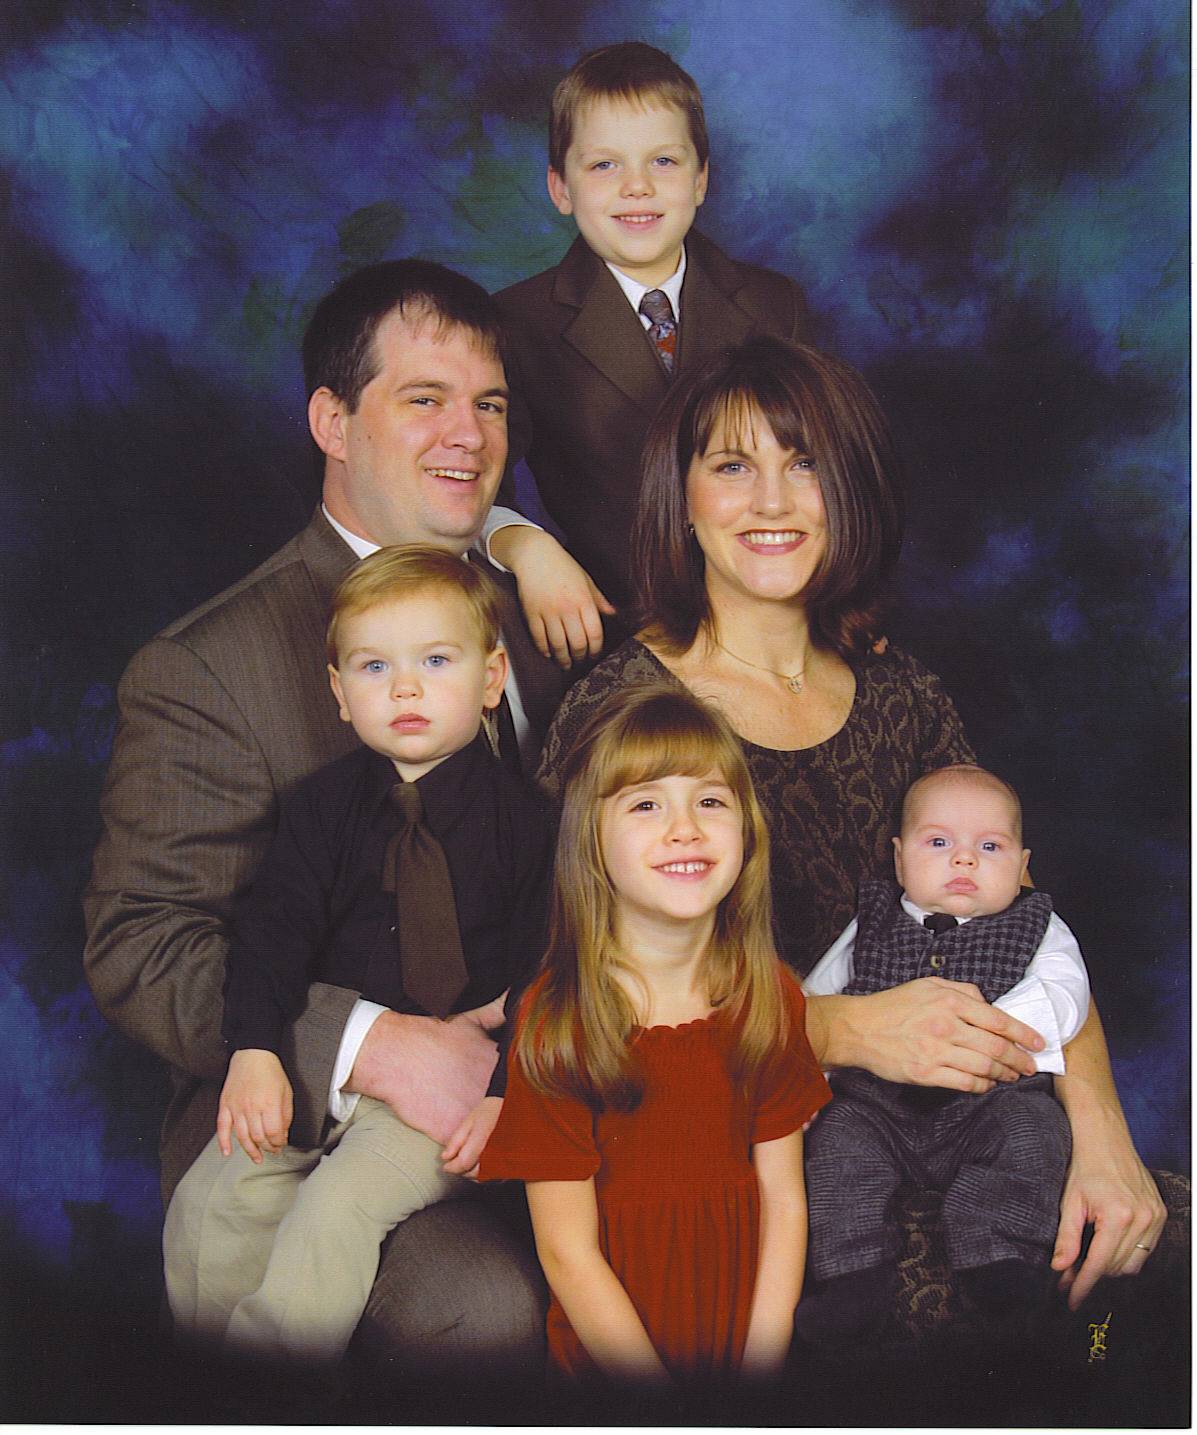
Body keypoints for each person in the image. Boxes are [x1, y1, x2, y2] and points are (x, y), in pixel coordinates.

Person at [537, 334, 1164, 1311]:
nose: (773, 501)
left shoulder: (901, 691)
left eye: (804, 464)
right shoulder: (623, 712)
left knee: (1139, 1265)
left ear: (849, 490)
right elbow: (579, 995)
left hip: (970, 1129)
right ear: (682, 498)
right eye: (732, 466)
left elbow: (1024, 915)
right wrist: (839, 1027)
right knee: (931, 1329)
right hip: (747, 1158)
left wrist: (1102, 1127)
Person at [84, 260, 577, 1376]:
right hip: (300, 1112)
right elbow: (142, 943)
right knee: (477, 1307)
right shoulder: (210, 665)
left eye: (490, 403)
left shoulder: (539, 615)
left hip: (525, 1078)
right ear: (332, 422)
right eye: (424, 398)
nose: (468, 434)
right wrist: (377, 1047)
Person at [163, 546, 553, 1364]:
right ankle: (209, 1388)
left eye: (435, 661)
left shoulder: (529, 825)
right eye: (375, 666)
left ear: (491, 677)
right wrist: (256, 1049)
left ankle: (278, 1400)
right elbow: (270, 935)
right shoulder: (319, 809)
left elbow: (549, 971)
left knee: (332, 1214)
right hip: (333, 1076)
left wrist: (504, 1094)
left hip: (451, 1101)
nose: (404, 688)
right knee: (210, 1203)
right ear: (340, 692)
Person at [479, 684, 830, 1384]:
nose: (685, 828)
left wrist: (760, 1368)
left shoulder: (767, 997)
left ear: (747, 830)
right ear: (592, 841)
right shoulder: (559, 1019)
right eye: (646, 804)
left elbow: (784, 1200)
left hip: (743, 1348)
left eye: (710, 801)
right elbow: (567, 1252)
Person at [495, 40, 811, 638]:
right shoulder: (515, 324)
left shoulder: (775, 305)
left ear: (701, 179)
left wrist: (842, 597)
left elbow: (831, 474)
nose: (636, 186)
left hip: (776, 618)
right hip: (621, 629)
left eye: (663, 161)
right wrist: (524, 545)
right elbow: (480, 487)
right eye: (604, 165)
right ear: (561, 188)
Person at [798, 764, 1089, 1342]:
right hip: (876, 1109)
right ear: (900, 859)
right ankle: (851, 1277)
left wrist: (988, 1028)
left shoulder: (1038, 924)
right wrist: (812, 1079)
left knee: (1035, 1131)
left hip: (989, 1103)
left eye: (990, 847)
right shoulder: (872, 921)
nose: (964, 859)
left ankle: (1001, 1259)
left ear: (1022, 866)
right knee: (835, 1144)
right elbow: (816, 1001)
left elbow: (1066, 995)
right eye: (938, 843)